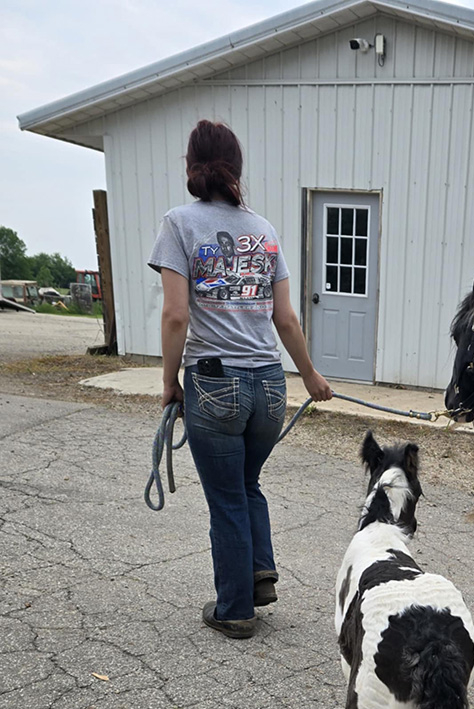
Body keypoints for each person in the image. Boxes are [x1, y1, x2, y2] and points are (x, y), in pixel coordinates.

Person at [148, 119, 333, 639]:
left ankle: (233, 610)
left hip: (215, 382)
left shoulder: (178, 224)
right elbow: (286, 319)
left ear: (190, 166)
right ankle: (257, 574)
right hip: (270, 385)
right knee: (247, 483)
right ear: (237, 169)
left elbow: (176, 316)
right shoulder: (265, 229)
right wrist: (310, 375)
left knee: (227, 495)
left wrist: (169, 382)